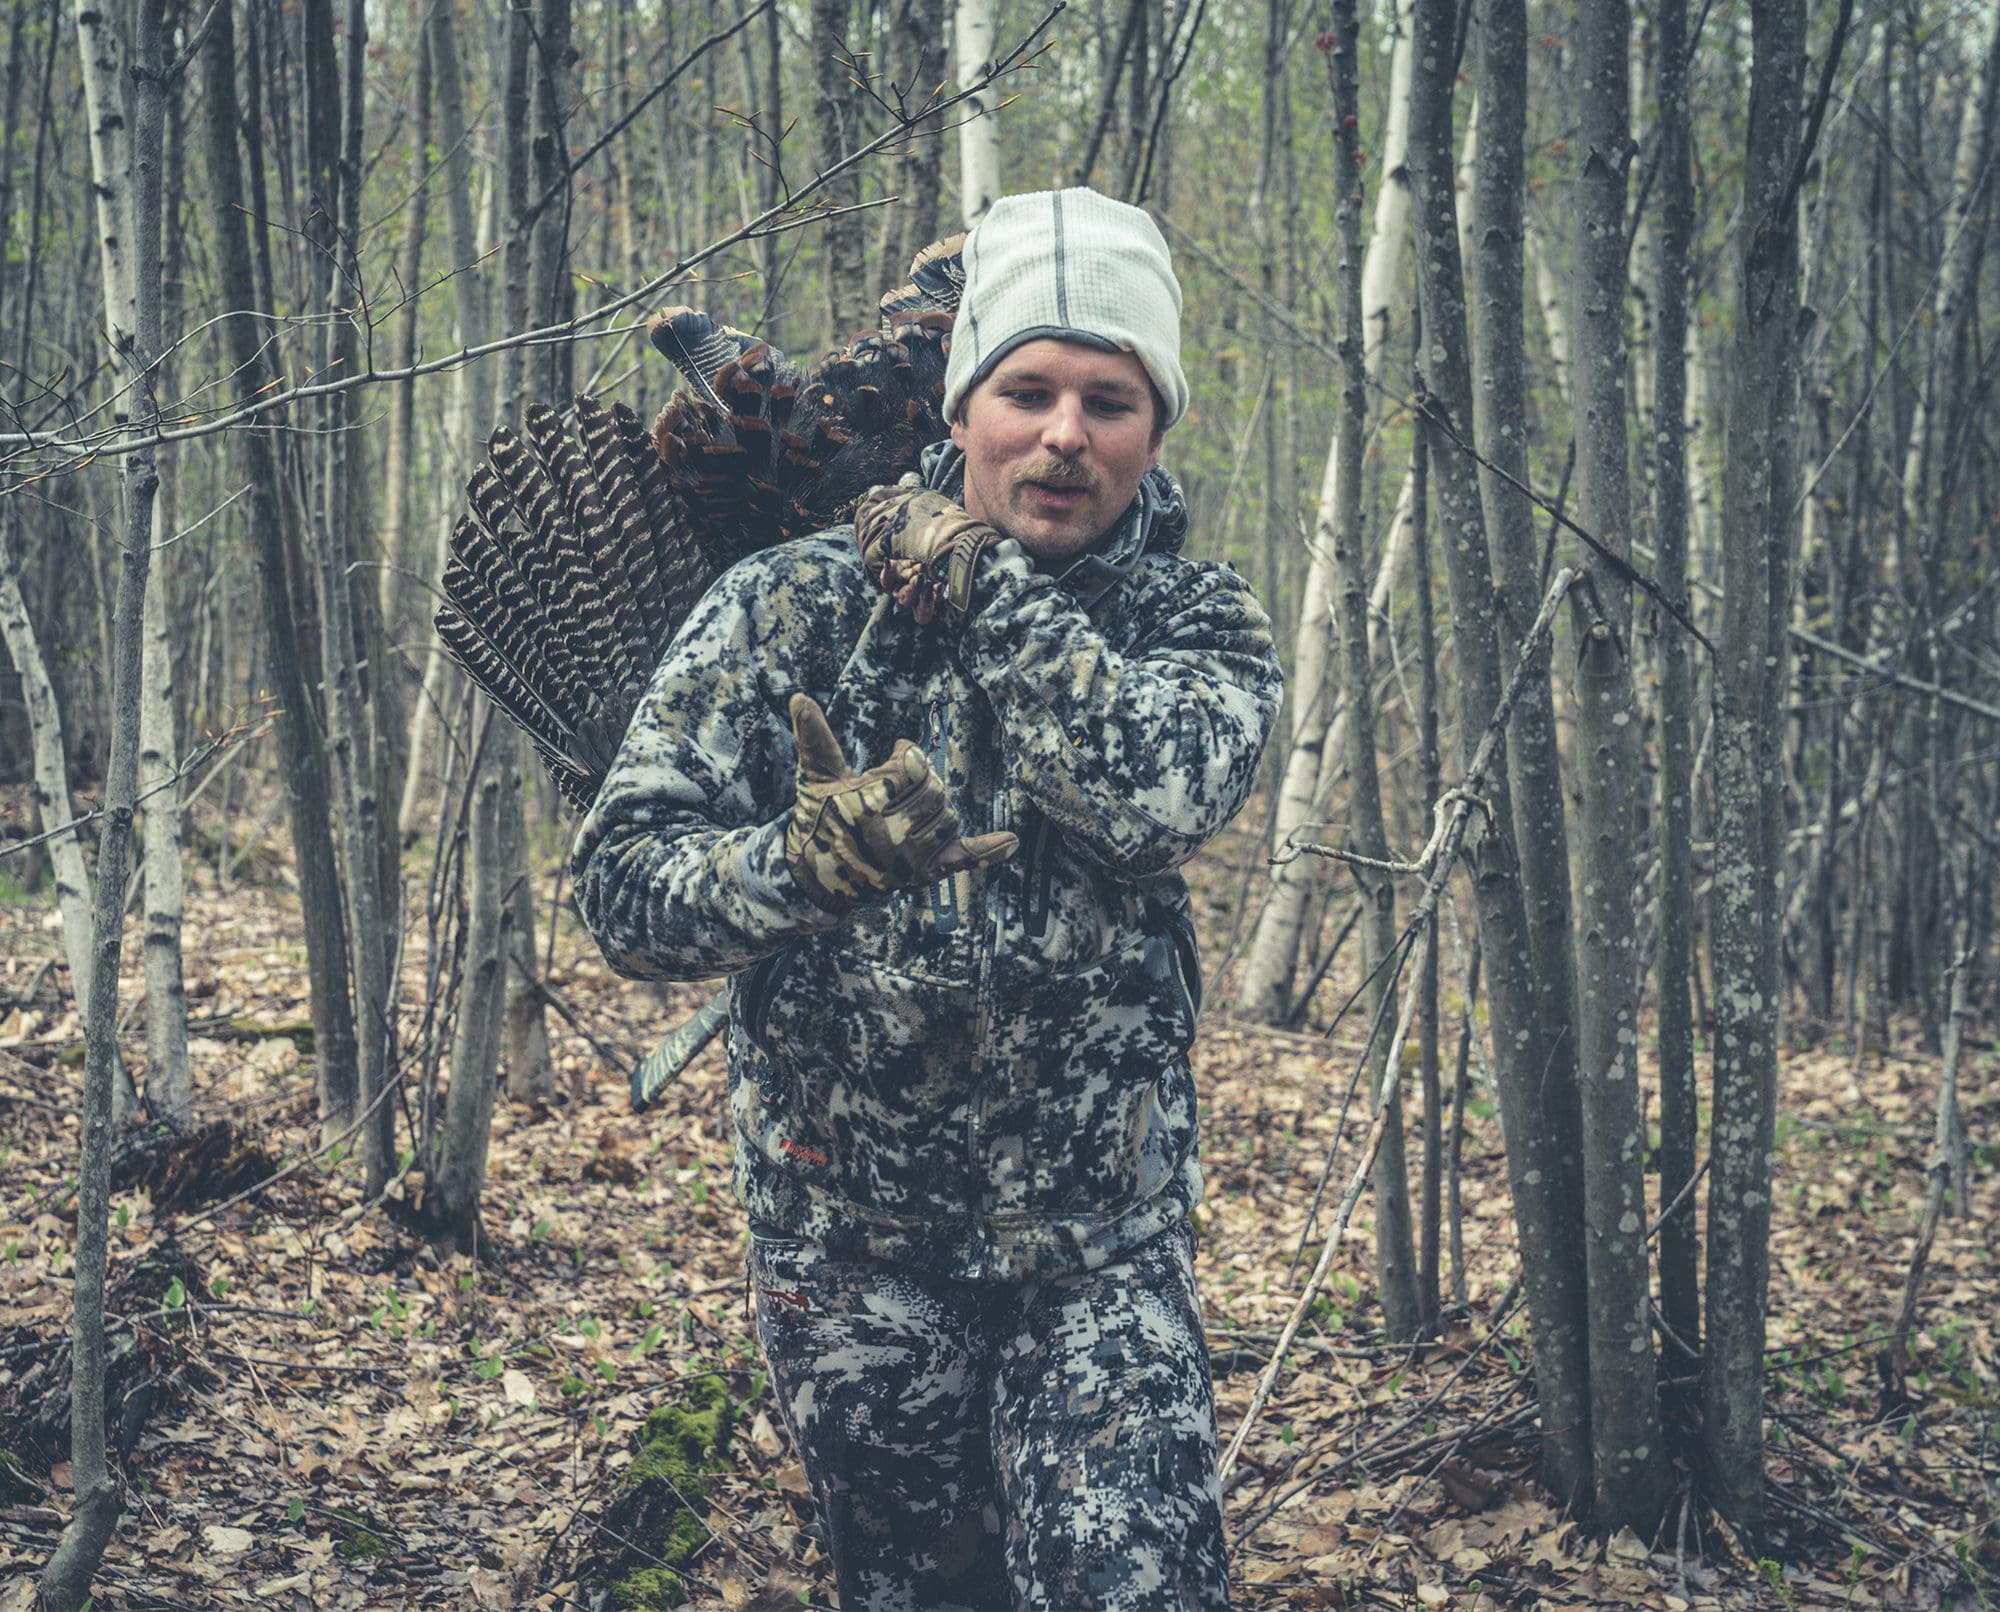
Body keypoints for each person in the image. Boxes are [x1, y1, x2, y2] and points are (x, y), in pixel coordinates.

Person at [572, 186, 1283, 1612]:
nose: (1064, 434)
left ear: (1156, 431)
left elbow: (1147, 801)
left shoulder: (1196, 627)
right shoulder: (787, 609)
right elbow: (621, 885)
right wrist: (793, 867)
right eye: (1025, 390)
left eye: (1109, 399)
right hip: (850, 1245)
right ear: (961, 409)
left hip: (1099, 1247)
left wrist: (985, 592)